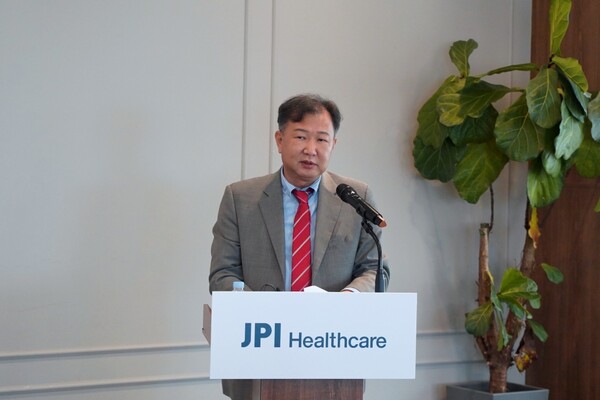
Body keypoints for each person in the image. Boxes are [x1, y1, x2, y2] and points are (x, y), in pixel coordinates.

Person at [208, 93, 390, 399]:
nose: (311, 149)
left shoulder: (355, 198)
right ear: (280, 140)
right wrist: (267, 315)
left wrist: (347, 298)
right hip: (260, 348)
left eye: (322, 139)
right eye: (301, 136)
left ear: (333, 144)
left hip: (333, 349)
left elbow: (374, 269)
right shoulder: (240, 198)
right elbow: (222, 274)